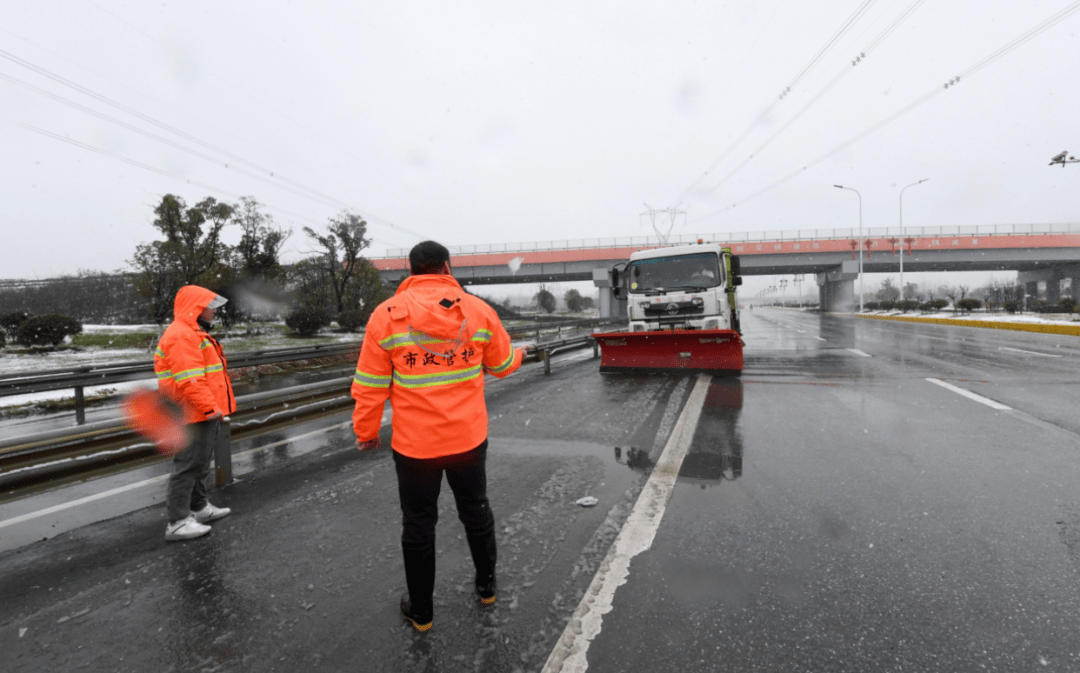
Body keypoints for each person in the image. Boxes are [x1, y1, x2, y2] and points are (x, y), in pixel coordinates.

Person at [350, 240, 525, 632]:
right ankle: (486, 587)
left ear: (411, 271)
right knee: (476, 511)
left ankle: (422, 611)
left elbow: (369, 384)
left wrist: (366, 431)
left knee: (418, 524)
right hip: (467, 441)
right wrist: (521, 355)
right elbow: (500, 365)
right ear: (447, 267)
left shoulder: (386, 316)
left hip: (415, 448)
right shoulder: (478, 311)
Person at [154, 285, 236, 541]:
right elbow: (190, 380)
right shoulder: (182, 335)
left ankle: (198, 507)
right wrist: (210, 407)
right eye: (209, 306)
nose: (213, 312)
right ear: (196, 308)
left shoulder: (192, 332)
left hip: (199, 411)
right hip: (191, 412)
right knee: (188, 466)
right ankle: (177, 522)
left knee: (199, 463)